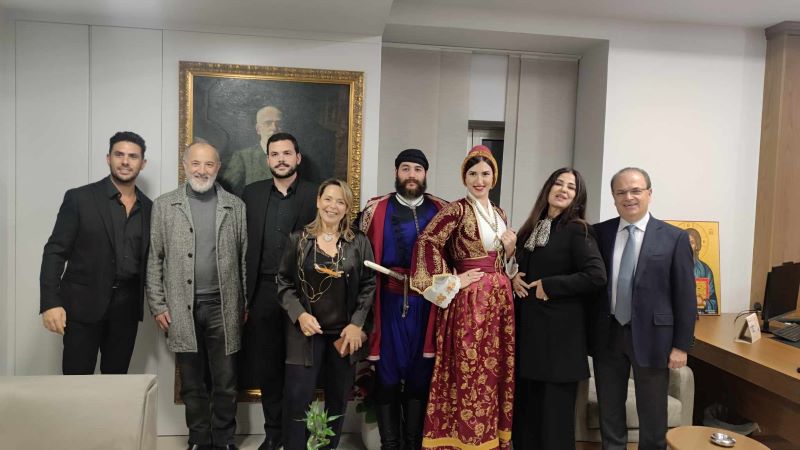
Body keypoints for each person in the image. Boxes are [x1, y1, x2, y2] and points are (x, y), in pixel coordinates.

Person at [410, 145, 517, 450]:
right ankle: (462, 440)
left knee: (495, 370)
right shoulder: (455, 210)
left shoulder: (499, 213)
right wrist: (454, 281)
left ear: (494, 177)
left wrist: (510, 251)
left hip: (499, 302)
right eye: (472, 174)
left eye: (485, 173)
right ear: (464, 177)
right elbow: (427, 242)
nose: (479, 180)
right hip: (470, 304)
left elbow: (502, 262)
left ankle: (490, 439)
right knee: (469, 368)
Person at [147, 141, 247, 450]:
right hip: (181, 308)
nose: (202, 170)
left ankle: (224, 439)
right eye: (195, 163)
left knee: (226, 382)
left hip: (223, 307)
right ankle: (199, 440)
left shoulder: (235, 206)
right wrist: (158, 305)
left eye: (209, 164)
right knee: (192, 383)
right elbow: (155, 258)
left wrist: (243, 304)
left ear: (218, 168)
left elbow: (243, 259)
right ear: (185, 165)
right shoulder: (164, 205)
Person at [590, 167, 696, 450]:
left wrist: (681, 346)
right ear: (614, 198)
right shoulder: (599, 233)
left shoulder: (674, 237)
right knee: (609, 410)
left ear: (649, 193)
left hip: (654, 337)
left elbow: (686, 296)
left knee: (653, 413)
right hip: (608, 334)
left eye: (636, 190)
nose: (629, 197)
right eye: (621, 192)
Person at [40, 131, 151, 375]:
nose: (125, 161)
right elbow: (55, 251)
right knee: (77, 384)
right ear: (108, 158)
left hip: (126, 311)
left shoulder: (150, 208)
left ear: (142, 163)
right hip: (82, 308)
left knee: (115, 384)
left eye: (133, 156)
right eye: (119, 154)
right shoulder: (80, 198)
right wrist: (50, 302)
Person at [510, 168, 607, 450]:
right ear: (548, 188)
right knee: (526, 423)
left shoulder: (578, 230)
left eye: (571, 187)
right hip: (529, 343)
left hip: (559, 347)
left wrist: (552, 286)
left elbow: (596, 276)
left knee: (554, 429)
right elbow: (526, 268)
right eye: (559, 183)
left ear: (578, 197)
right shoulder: (533, 227)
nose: (563, 190)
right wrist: (513, 276)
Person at [277, 179, 376, 450]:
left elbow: (369, 285)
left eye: (340, 201)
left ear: (347, 207)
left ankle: (328, 447)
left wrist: (357, 324)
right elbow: (283, 282)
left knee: (338, 399)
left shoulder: (358, 242)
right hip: (305, 332)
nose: (333, 206)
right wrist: (299, 315)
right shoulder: (298, 239)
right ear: (318, 201)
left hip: (343, 333)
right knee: (297, 397)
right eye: (328, 199)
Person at [358, 149, 447, 450]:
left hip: (428, 305)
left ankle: (414, 444)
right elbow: (358, 254)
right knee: (387, 373)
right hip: (388, 302)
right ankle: (390, 445)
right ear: (396, 173)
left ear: (425, 174)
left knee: (421, 374)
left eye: (417, 169)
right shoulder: (375, 209)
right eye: (405, 168)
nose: (411, 175)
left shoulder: (442, 210)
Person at [240, 132, 318, 450]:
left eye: (287, 153)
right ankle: (273, 434)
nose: (281, 159)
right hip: (262, 292)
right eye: (275, 154)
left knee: (300, 370)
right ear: (268, 159)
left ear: (298, 158)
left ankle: (296, 435)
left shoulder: (316, 193)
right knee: (268, 367)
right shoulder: (252, 193)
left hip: (303, 295)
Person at [222, 105, 283, 195]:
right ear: (258, 129)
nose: (274, 128)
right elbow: (225, 192)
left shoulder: (294, 157)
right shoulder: (243, 157)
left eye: (278, 124)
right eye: (268, 123)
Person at [686, 227, 718, 314]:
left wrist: (703, 303)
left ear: (697, 245)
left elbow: (714, 305)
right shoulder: (673, 267)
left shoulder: (705, 270)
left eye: (691, 242)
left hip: (701, 315)